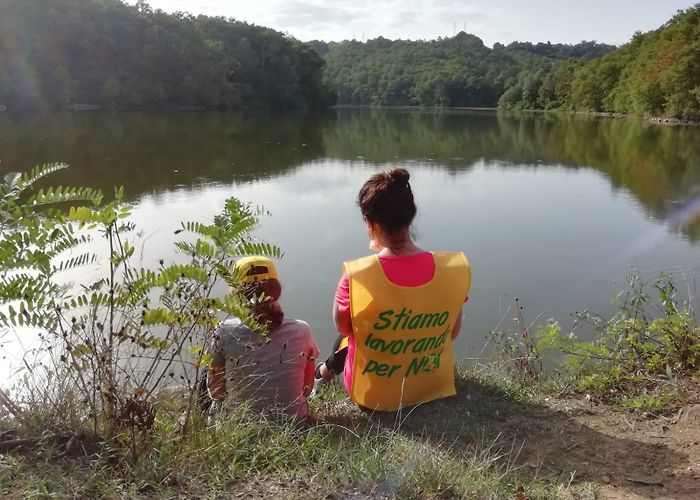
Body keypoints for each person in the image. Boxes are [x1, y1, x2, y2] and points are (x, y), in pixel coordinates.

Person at [315, 168, 471, 411]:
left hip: (374, 395)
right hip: (431, 385)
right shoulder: (453, 269)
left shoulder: (357, 275)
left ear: (370, 223)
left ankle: (321, 374)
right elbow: (452, 333)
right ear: (410, 217)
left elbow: (344, 327)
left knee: (344, 338)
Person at [207, 256, 319, 420]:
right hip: (295, 427)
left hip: (239, 432)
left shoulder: (224, 331)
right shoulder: (302, 330)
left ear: (236, 295)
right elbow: (307, 389)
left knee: (209, 370)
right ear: (277, 291)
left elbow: (216, 392)